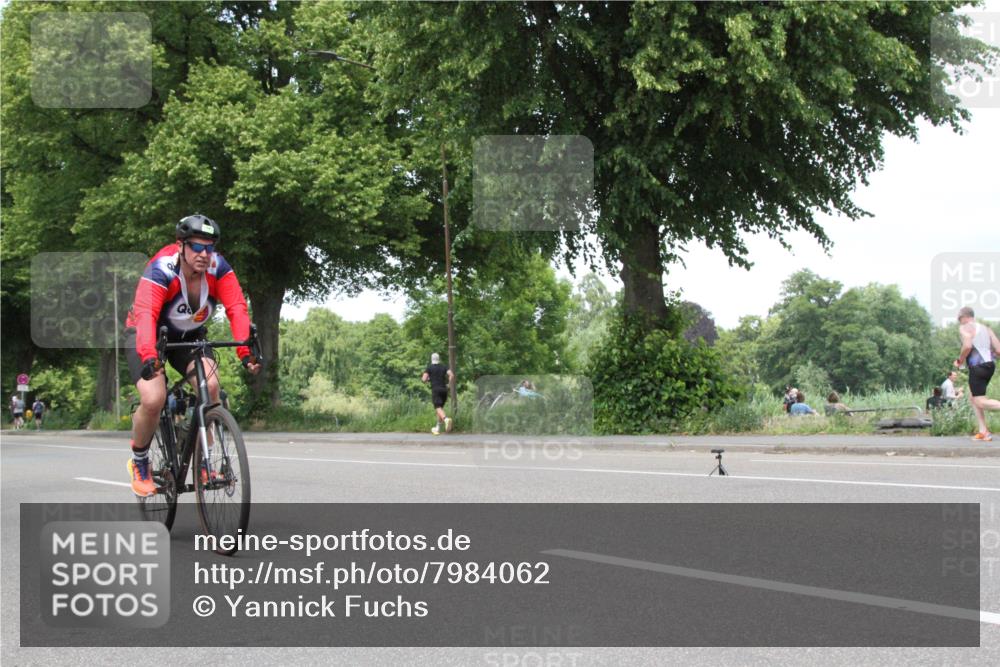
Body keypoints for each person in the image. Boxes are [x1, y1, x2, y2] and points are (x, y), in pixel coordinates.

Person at [123, 214, 260, 497]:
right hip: (147, 335)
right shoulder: (162, 269)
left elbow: (236, 307)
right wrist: (149, 356)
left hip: (189, 336)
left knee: (210, 386)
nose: (203, 254)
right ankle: (139, 462)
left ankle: (201, 453)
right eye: (196, 247)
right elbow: (146, 315)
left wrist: (245, 351)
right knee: (153, 398)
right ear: (181, 246)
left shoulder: (218, 268)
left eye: (209, 247)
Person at [955, 306, 1000, 442]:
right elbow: (998, 350)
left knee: (979, 401)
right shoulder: (987, 329)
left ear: (965, 317)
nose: (959, 322)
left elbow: (967, 346)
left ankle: (983, 431)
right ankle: (983, 431)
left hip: (977, 367)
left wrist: (960, 360)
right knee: (972, 396)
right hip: (990, 366)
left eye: (960, 319)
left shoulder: (965, 327)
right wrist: (989, 356)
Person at [421, 353, 453, 435]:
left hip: (436, 390)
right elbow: (451, 375)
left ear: (432, 359)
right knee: (440, 409)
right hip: (444, 390)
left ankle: (446, 419)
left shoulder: (429, 367)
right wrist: (449, 384)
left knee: (437, 407)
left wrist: (428, 379)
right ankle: (437, 428)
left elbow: (424, 379)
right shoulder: (444, 366)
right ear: (439, 359)